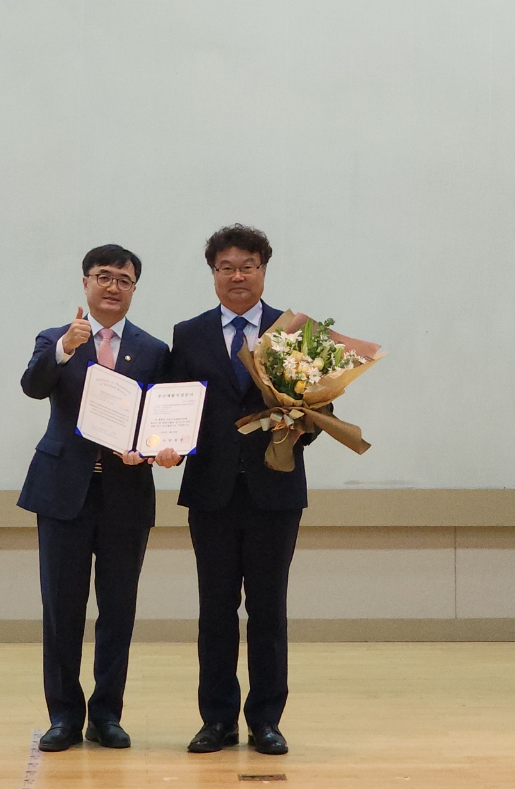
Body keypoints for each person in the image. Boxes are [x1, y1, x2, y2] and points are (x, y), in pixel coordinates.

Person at [17, 243, 179, 752]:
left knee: (118, 610)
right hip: (62, 492)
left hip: (125, 495)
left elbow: (162, 419)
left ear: (134, 289)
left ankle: (107, 715)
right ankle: (64, 716)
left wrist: (158, 451)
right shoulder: (56, 338)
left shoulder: (153, 350)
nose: (113, 287)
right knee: (61, 609)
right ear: (86, 282)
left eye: (124, 280)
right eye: (103, 276)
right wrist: (65, 348)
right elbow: (33, 386)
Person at [170, 224, 318, 757]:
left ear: (263, 270)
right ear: (213, 273)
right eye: (226, 267)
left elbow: (320, 411)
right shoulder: (188, 334)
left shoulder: (294, 332)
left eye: (247, 266)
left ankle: (266, 721)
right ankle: (216, 720)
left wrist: (299, 422)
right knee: (215, 611)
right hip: (210, 492)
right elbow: (174, 404)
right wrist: (163, 443)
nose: (237, 276)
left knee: (268, 610)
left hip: (273, 491)